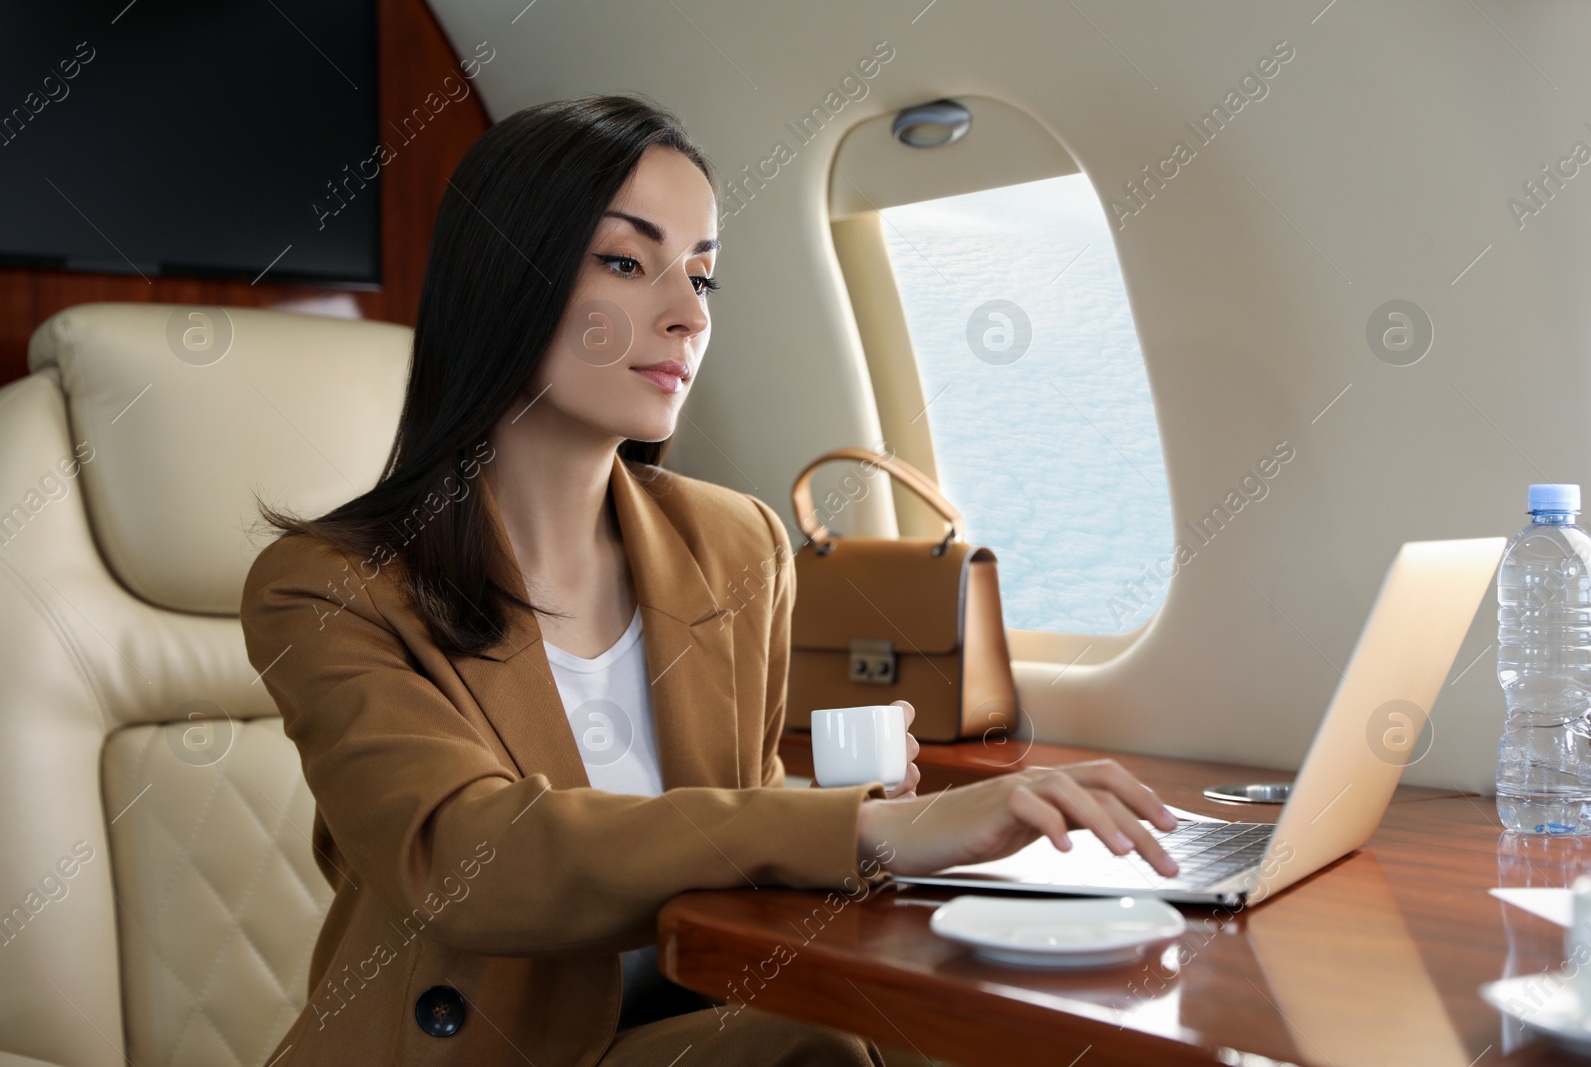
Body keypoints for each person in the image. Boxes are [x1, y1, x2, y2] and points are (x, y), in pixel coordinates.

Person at [240, 94, 1179, 1067]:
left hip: (683, 1018)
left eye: (701, 274)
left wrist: (840, 802)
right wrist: (865, 828)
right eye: (624, 261)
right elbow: (470, 858)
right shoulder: (327, 587)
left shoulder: (737, 543)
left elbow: (737, 802)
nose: (688, 314)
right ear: (503, 278)